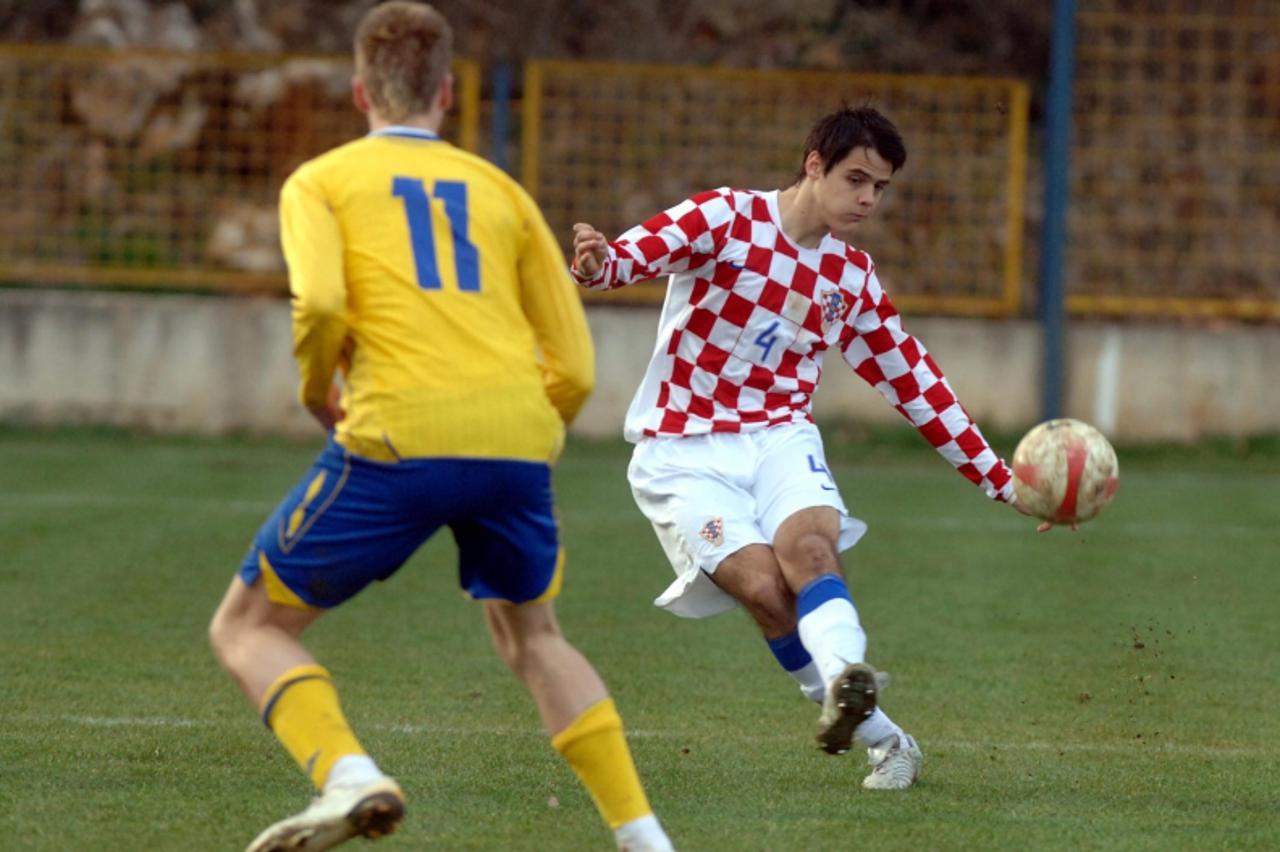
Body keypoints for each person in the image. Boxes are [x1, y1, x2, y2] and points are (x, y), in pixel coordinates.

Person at [208, 4, 675, 851]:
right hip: (514, 445)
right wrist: (526, 433)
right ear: (448, 93)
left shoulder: (320, 182)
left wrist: (320, 390)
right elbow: (572, 364)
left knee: (246, 628)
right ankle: (646, 839)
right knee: (535, 636)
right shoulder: (503, 192)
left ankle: (351, 777)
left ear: (359, 92)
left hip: (396, 439)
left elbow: (319, 304)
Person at [571, 105, 1038, 791]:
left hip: (778, 437)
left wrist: (1001, 479)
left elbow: (916, 383)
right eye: (856, 179)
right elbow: (631, 256)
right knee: (764, 591)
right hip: (682, 448)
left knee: (812, 551)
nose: (867, 199)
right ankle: (888, 739)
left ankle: (849, 675)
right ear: (814, 163)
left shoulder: (851, 279)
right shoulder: (726, 219)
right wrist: (598, 261)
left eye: (880, 188)